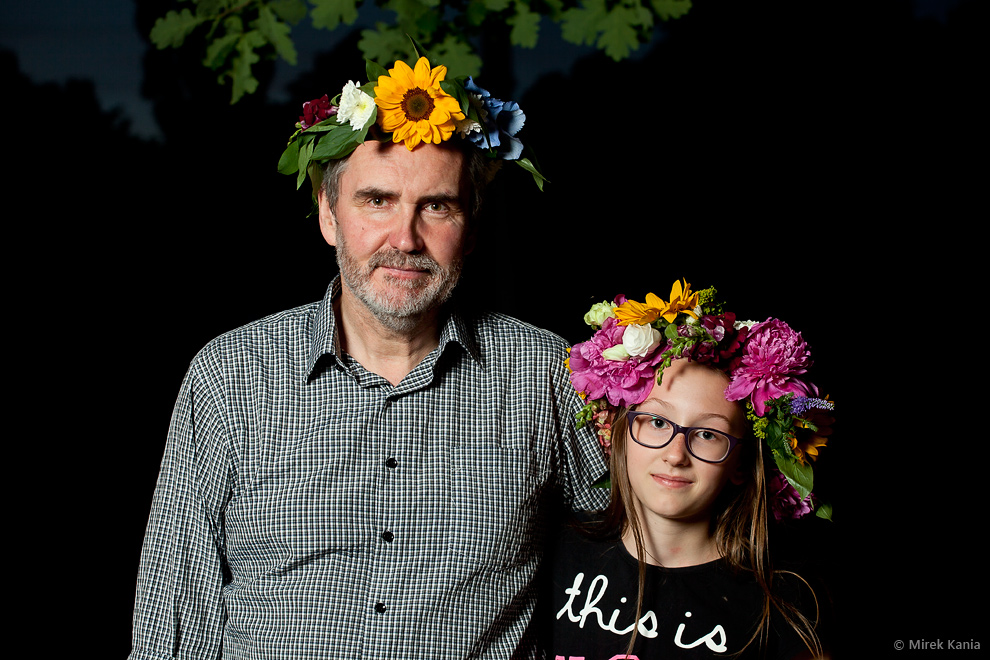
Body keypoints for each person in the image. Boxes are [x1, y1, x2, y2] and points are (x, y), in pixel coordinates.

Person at [129, 54, 607, 659]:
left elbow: (641, 549)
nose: (405, 240)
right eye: (377, 201)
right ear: (329, 215)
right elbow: (175, 614)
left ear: (473, 227)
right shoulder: (231, 374)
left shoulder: (547, 375)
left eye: (437, 206)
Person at [543, 279, 833, 659]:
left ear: (741, 464)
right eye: (658, 423)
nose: (676, 454)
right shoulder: (551, 555)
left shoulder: (784, 605)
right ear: (618, 433)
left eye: (708, 434)